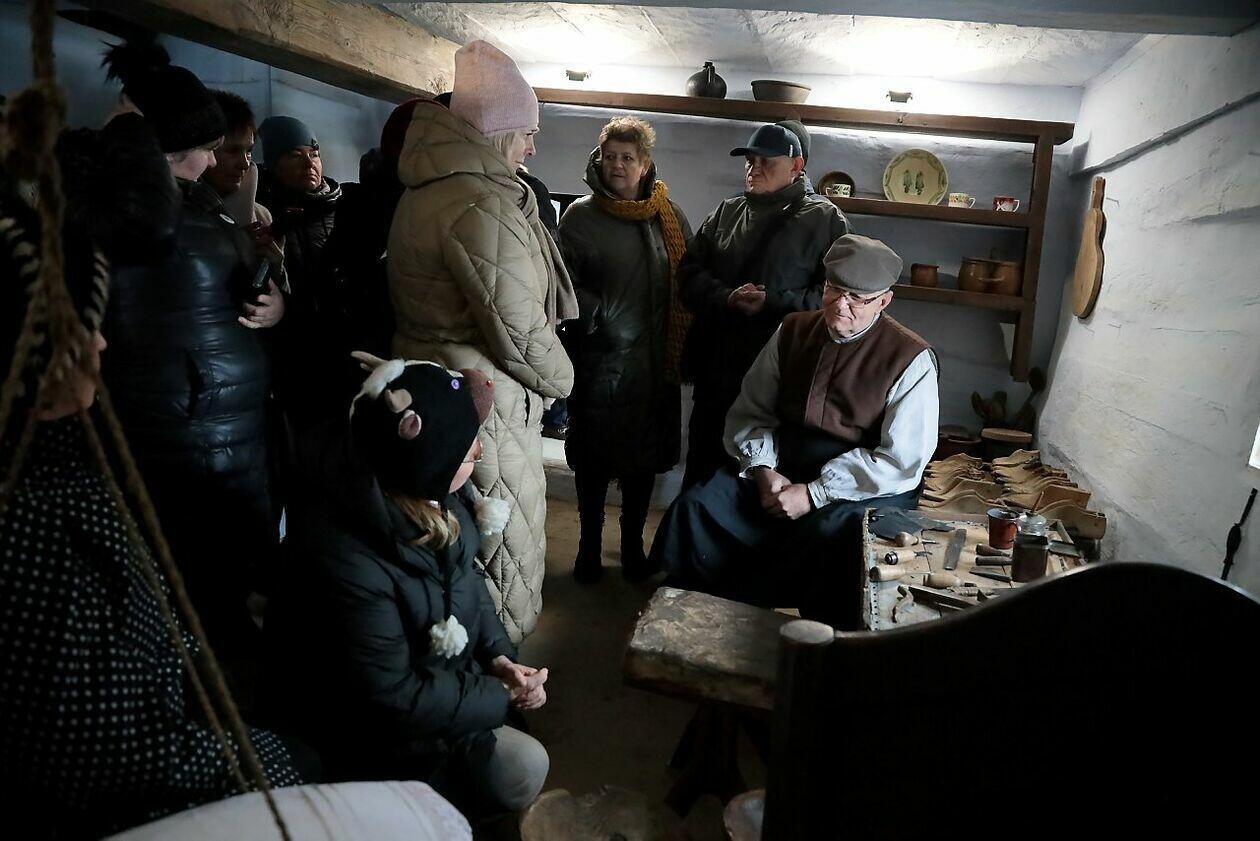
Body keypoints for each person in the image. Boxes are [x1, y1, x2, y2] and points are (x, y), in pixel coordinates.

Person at [0, 102, 304, 839]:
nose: (103, 343)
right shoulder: (40, 522)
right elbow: (101, 753)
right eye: (87, 329)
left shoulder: (74, 469)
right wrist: (265, 757)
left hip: (165, 699)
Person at [263, 355, 549, 821]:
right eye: (470, 452)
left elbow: (467, 583)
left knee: (526, 763)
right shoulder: (344, 555)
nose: (477, 455)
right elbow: (390, 698)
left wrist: (499, 657)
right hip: (369, 738)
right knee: (520, 768)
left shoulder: (437, 498)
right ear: (430, 459)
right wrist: (499, 695)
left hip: (432, 694)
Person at [649, 235, 938, 630]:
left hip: (861, 482)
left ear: (884, 300)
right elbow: (752, 410)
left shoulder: (910, 358)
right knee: (698, 506)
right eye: (833, 290)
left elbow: (901, 460)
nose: (840, 305)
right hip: (783, 463)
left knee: (827, 537)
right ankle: (692, 622)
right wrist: (763, 471)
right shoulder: (793, 329)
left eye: (857, 298)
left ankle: (809, 642)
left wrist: (814, 494)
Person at [98, 40, 282, 658]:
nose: (213, 161)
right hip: (190, 435)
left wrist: (275, 305)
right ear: (173, 151)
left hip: (212, 430)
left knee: (210, 592)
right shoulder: (139, 218)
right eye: (207, 148)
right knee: (195, 597)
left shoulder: (196, 210)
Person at [388, 41, 576, 642]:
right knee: (499, 539)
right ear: (498, 132)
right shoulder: (478, 203)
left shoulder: (430, 187)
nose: (533, 147)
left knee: (455, 533)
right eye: (528, 132)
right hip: (482, 399)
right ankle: (501, 664)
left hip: (439, 384)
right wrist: (565, 380)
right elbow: (518, 329)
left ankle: (472, 657)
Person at [558, 116, 693, 583]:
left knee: (643, 466)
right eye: (610, 156)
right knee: (593, 463)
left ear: (645, 163)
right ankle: (588, 550)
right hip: (602, 363)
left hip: (655, 366)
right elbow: (561, 284)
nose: (617, 165)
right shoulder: (580, 217)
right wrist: (598, 314)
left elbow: (689, 277)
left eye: (627, 157)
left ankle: (633, 549)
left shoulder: (668, 216)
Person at [678, 122, 849, 488]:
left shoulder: (825, 220)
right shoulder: (726, 213)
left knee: (760, 478)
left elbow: (835, 299)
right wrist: (726, 296)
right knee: (703, 468)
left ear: (796, 166)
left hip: (780, 376)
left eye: (766, 162)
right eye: (750, 161)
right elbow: (688, 276)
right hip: (717, 369)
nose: (753, 170)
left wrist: (773, 303)